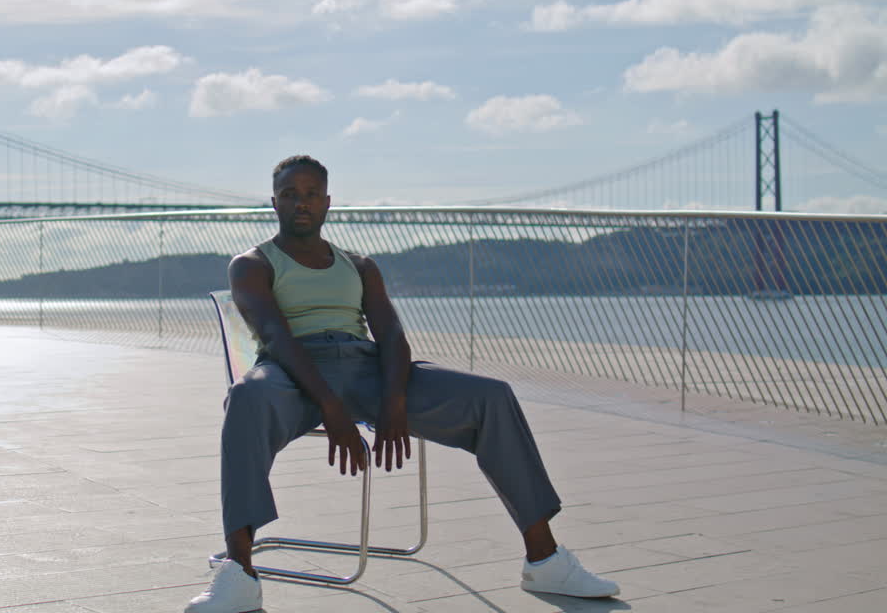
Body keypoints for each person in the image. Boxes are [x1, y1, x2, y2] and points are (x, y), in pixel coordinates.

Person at [186, 155, 620, 612]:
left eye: (311, 193)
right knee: (245, 398)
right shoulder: (252, 264)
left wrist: (394, 402)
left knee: (493, 397)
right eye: (290, 194)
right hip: (293, 372)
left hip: (366, 367)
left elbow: (391, 335)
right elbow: (275, 335)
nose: (301, 203)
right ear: (274, 202)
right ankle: (240, 572)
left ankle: (544, 559)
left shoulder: (359, 265)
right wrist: (332, 408)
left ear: (328, 202)